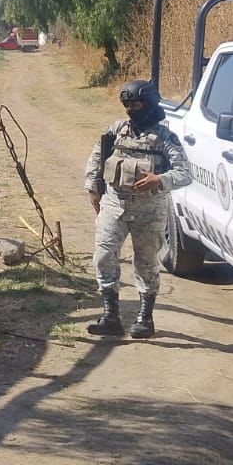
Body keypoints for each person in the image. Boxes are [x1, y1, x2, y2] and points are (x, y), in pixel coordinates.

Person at [82, 79, 191, 338]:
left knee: (145, 263)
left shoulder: (165, 139)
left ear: (149, 104)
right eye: (127, 104)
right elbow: (97, 158)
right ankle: (110, 316)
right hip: (114, 205)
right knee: (103, 256)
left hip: (149, 212)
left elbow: (185, 173)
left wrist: (160, 180)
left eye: (136, 103)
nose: (131, 109)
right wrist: (92, 187)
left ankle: (145, 319)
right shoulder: (116, 131)